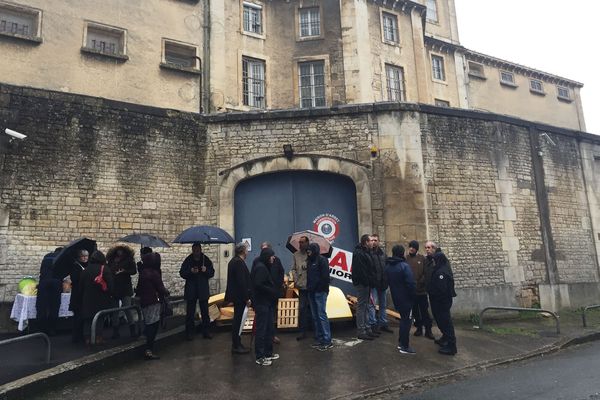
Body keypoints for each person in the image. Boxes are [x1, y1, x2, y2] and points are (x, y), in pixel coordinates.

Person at [425, 241, 457, 356]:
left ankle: (451, 346)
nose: (427, 249)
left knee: (446, 321)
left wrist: (433, 292)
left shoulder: (441, 271)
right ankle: (445, 339)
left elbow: (442, 289)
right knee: (441, 321)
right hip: (437, 300)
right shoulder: (437, 267)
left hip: (441, 301)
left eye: (429, 247)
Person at [136, 251, 169, 360]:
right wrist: (166, 292)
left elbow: (139, 288)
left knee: (148, 323)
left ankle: (148, 349)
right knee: (153, 326)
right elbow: (161, 288)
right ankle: (149, 350)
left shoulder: (143, 272)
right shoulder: (154, 273)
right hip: (154, 302)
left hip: (144, 302)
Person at [251, 247, 280, 366]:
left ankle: (268, 353)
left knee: (269, 329)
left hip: (267, 303)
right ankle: (260, 356)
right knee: (261, 330)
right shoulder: (261, 268)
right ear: (267, 257)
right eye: (272, 256)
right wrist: (272, 291)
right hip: (262, 303)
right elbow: (258, 285)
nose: (274, 257)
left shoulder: (265, 266)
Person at [180, 242, 215, 340]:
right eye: (194, 251)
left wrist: (206, 270)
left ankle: (206, 332)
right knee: (190, 313)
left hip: (202, 289)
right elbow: (182, 273)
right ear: (192, 250)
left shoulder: (205, 260)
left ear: (200, 250)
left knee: (205, 312)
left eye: (198, 250)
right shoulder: (188, 260)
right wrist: (190, 271)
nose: (196, 252)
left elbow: (211, 272)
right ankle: (190, 333)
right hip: (191, 289)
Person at [78, 251, 114, 345]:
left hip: (87, 298)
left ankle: (87, 339)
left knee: (88, 319)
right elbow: (110, 285)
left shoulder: (85, 270)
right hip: (101, 298)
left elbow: (80, 286)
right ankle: (98, 337)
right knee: (99, 318)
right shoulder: (105, 269)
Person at [386, 245, 416, 354]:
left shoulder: (388, 266)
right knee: (406, 321)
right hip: (406, 298)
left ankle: (401, 342)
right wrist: (413, 296)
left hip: (396, 298)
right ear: (402, 253)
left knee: (403, 320)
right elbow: (411, 284)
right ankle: (404, 346)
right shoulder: (404, 266)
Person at [224, 243, 252, 354]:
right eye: (246, 250)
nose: (248, 252)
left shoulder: (233, 261)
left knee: (238, 320)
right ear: (243, 251)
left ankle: (237, 343)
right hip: (239, 297)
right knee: (238, 321)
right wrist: (246, 298)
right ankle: (236, 345)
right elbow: (241, 282)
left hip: (237, 296)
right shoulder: (238, 263)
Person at [107, 245, 137, 339]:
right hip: (114, 287)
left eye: (121, 251)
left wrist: (124, 271)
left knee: (127, 308)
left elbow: (134, 271)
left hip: (125, 287)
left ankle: (132, 330)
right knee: (114, 311)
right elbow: (108, 271)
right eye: (118, 251)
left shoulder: (129, 260)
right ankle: (115, 331)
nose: (119, 252)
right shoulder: (111, 261)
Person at [306, 243, 332, 351]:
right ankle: (319, 338)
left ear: (314, 250)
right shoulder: (309, 261)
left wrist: (318, 288)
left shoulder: (322, 260)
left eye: (310, 251)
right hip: (311, 292)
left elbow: (325, 277)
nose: (308, 253)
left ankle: (327, 340)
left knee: (321, 315)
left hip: (320, 292)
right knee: (315, 316)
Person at [406, 240, 434, 339]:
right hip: (411, 292)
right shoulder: (406, 259)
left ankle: (428, 330)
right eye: (410, 247)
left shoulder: (422, 258)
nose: (411, 248)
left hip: (421, 291)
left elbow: (425, 273)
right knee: (415, 312)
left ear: (416, 249)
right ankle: (419, 328)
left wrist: (420, 283)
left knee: (424, 311)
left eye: (413, 247)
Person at [351, 234, 377, 340]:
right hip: (363, 284)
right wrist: (367, 282)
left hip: (367, 283)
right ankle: (361, 331)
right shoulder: (359, 253)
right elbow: (361, 271)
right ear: (366, 242)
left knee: (366, 306)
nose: (373, 242)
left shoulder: (366, 252)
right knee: (362, 307)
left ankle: (367, 328)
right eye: (371, 240)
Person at [260, 242, 285, 344]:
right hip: (264, 294)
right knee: (264, 316)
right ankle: (264, 336)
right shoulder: (258, 262)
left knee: (272, 315)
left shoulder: (276, 260)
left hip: (274, 292)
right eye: (262, 249)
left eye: (266, 249)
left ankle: (272, 335)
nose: (264, 251)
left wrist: (278, 285)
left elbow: (281, 272)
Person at [368, 234, 392, 334]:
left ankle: (383, 323)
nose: (373, 242)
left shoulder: (383, 254)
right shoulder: (368, 253)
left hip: (383, 284)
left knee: (383, 305)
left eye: (375, 240)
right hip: (373, 285)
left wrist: (387, 280)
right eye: (372, 240)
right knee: (372, 305)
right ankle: (373, 324)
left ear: (379, 241)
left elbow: (386, 268)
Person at [36, 247, 63, 336]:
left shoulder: (46, 256)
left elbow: (41, 271)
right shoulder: (61, 258)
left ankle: (41, 330)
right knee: (54, 307)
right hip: (56, 283)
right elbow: (63, 272)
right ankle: (52, 329)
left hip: (44, 282)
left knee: (41, 306)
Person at [290, 236, 311, 341]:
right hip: (301, 286)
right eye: (299, 242)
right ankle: (302, 331)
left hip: (312, 286)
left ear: (307, 243)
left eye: (302, 242)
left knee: (312, 308)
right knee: (302, 309)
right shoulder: (296, 254)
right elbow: (293, 268)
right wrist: (295, 279)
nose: (300, 244)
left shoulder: (312, 254)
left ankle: (315, 330)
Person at [68, 249, 89, 343]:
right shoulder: (75, 266)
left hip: (84, 295)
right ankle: (76, 337)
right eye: (83, 256)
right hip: (77, 295)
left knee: (82, 316)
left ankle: (82, 335)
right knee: (77, 317)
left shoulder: (87, 266)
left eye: (86, 256)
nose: (85, 258)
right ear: (79, 257)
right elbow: (75, 279)